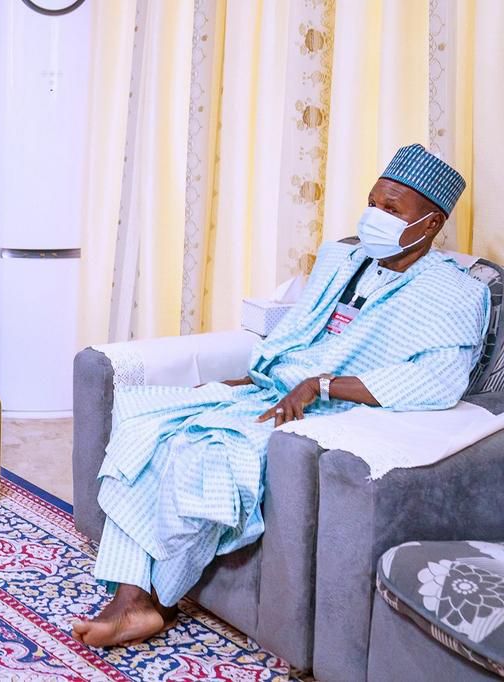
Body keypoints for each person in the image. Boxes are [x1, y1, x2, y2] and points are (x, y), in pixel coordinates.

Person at [72, 144, 491, 647]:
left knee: (201, 452)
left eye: (391, 209)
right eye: (372, 203)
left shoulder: (455, 292)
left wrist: (320, 385)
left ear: (430, 223)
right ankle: (136, 598)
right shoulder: (343, 259)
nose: (374, 216)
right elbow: (295, 339)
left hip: (335, 414)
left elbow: (438, 381)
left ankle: (143, 602)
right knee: (145, 424)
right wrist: (251, 380)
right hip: (277, 391)